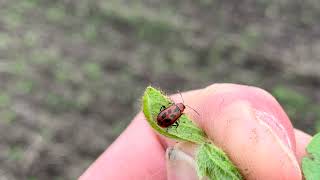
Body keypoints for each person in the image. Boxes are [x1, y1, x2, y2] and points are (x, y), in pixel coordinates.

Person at [79, 84, 311, 180]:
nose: (177, 110)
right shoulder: (175, 113)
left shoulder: (174, 113)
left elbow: (167, 118)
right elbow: (168, 118)